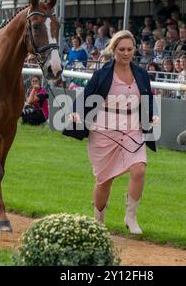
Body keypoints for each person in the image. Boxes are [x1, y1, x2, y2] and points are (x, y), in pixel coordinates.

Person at [62, 30, 159, 235]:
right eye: (121, 49)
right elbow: (86, 96)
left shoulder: (141, 74)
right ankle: (98, 221)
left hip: (133, 128)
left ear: (135, 50)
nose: (126, 53)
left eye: (129, 49)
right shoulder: (103, 73)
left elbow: (148, 97)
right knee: (104, 181)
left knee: (139, 170)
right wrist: (76, 113)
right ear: (114, 50)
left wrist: (152, 115)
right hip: (103, 132)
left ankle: (130, 217)